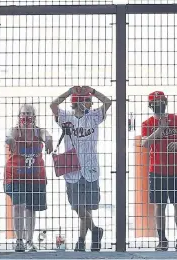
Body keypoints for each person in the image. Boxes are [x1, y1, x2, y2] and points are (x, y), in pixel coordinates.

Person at [50, 85, 112, 252]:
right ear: (78, 102)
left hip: (91, 166)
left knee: (87, 206)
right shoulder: (66, 116)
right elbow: (53, 105)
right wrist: (70, 92)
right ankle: (95, 230)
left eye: (91, 100)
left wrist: (92, 91)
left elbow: (108, 101)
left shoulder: (94, 117)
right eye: (88, 100)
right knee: (78, 205)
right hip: (72, 168)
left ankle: (81, 241)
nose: (91, 103)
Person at [141, 91, 177, 251]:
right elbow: (144, 144)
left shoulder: (175, 119)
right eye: (156, 103)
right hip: (157, 170)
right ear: (151, 106)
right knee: (159, 205)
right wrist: (159, 130)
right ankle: (162, 239)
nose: (159, 105)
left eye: (161, 102)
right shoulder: (147, 123)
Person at [4, 104, 53, 252]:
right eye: (23, 114)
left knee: (31, 209)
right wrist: (11, 140)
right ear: (19, 116)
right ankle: (19, 240)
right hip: (16, 176)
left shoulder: (39, 131)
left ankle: (29, 240)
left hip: (35, 176)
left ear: (34, 117)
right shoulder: (15, 130)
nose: (26, 117)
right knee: (18, 206)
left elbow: (46, 134)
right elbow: (8, 136)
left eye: (29, 114)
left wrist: (49, 139)